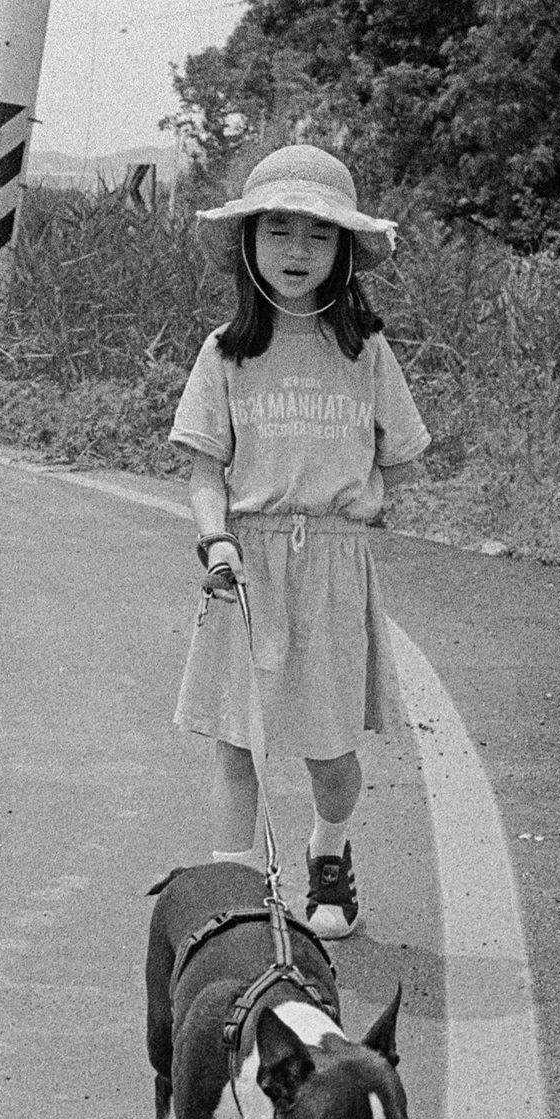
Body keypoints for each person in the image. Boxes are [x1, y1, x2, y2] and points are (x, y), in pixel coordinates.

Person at [168, 144, 430, 940]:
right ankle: (235, 896)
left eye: (319, 234)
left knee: (330, 748)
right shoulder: (226, 351)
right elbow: (205, 471)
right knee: (236, 741)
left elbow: (402, 453)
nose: (297, 250)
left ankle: (329, 850)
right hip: (245, 563)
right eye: (278, 229)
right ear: (249, 241)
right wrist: (216, 540)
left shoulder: (365, 351)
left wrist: (357, 508)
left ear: (343, 250)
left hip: (334, 566)